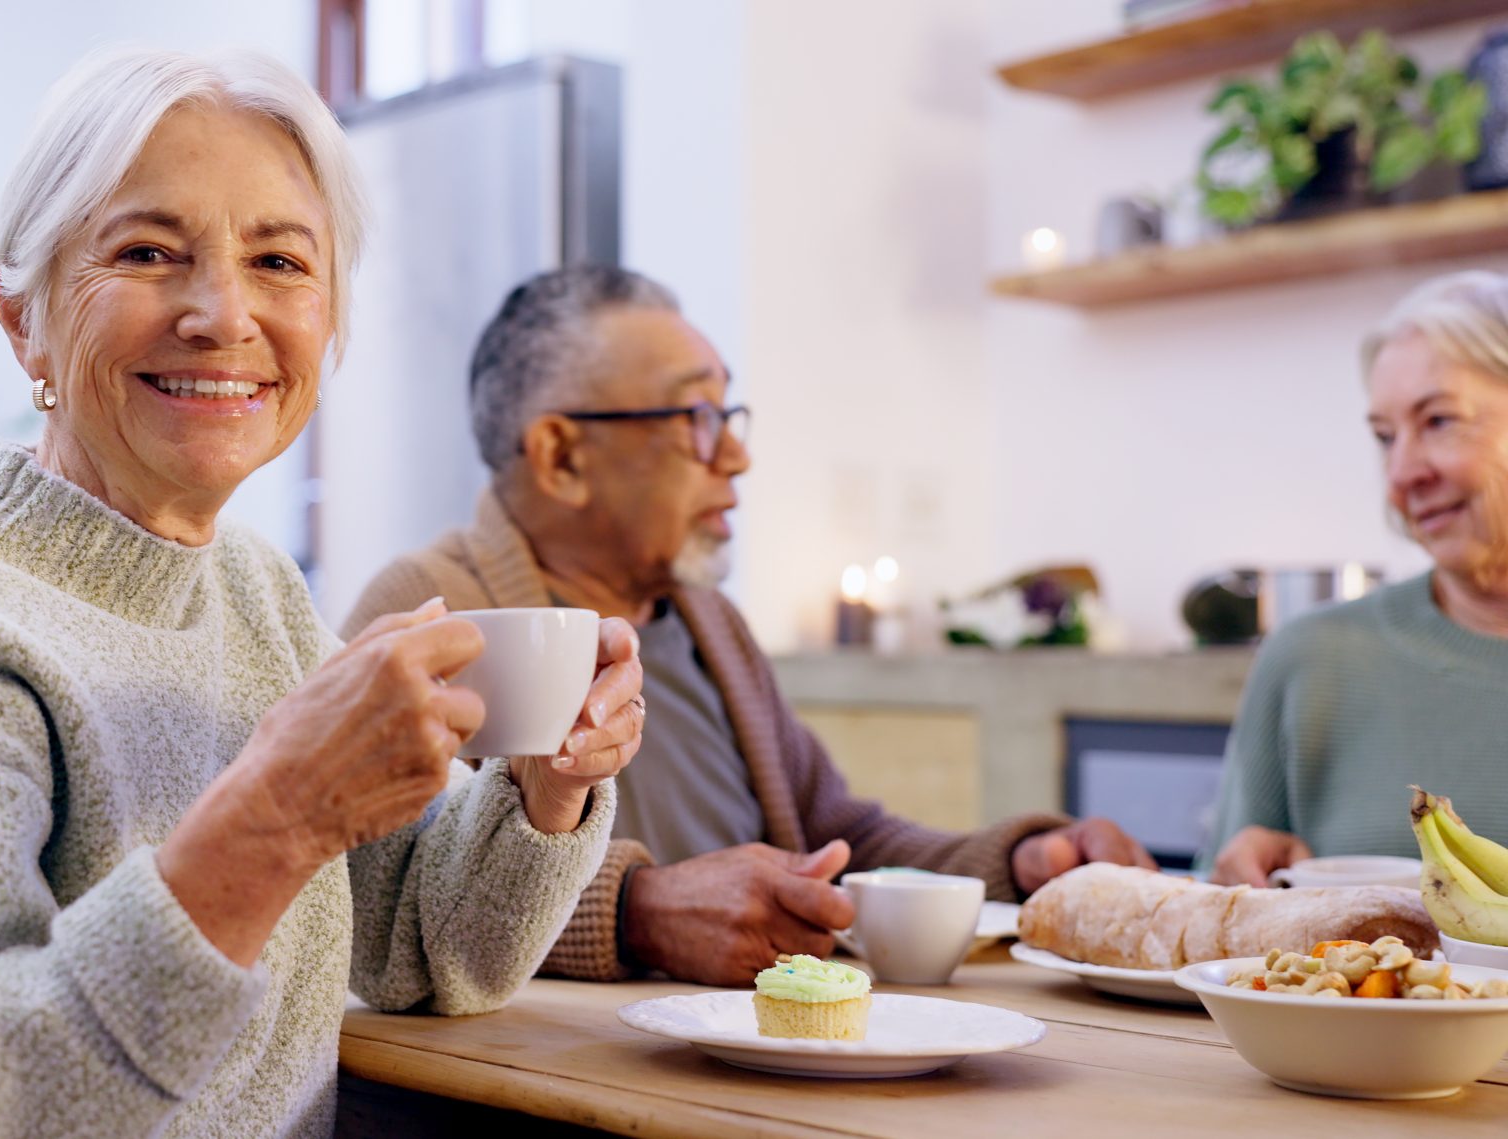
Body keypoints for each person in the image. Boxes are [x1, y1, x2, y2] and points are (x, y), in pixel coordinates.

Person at [0, 50, 646, 1138]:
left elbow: (419, 953)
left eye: (281, 261)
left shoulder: (256, 591)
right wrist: (276, 816)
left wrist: (543, 790)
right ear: (24, 316)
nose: (223, 315)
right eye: (148, 252)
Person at [342, 265, 1152, 987]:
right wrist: (638, 908)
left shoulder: (709, 622)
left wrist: (1017, 865)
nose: (735, 455)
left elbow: (839, 838)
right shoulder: (430, 607)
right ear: (561, 457)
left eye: (729, 413)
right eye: (696, 415)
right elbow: (385, 895)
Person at [1203, 270, 1508, 887]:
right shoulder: (1312, 660)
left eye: (1439, 421)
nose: (1401, 473)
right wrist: (1240, 884)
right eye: (1384, 437)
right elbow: (1218, 918)